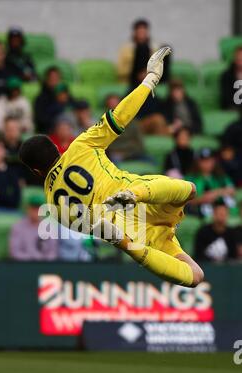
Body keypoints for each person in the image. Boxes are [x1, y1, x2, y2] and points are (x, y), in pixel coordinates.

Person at [19, 47, 204, 288]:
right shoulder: (80, 146)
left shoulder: (53, 207)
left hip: (132, 231)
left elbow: (91, 229)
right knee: (189, 189)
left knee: (195, 276)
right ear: (56, 146)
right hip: (144, 198)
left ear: (36, 171)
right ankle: (133, 195)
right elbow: (121, 115)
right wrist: (149, 80)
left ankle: (128, 246)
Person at [186, 148, 236, 218]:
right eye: (204, 161)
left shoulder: (220, 176)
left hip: (222, 208)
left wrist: (214, 194)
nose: (207, 164)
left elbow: (231, 190)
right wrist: (201, 199)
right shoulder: (190, 178)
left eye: (209, 160)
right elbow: (185, 200)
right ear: (198, 162)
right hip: (199, 211)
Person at [117, 19, 170, 86]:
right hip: (133, 77)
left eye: (143, 32)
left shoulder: (154, 47)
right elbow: (121, 70)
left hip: (152, 75)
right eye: (140, 32)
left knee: (165, 49)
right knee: (142, 48)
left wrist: (148, 72)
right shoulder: (126, 48)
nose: (142, 34)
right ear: (135, 32)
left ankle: (162, 81)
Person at [9, 194, 58, 261]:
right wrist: (32, 260)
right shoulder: (18, 227)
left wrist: (44, 261)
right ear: (27, 208)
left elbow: (53, 251)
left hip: (45, 266)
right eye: (33, 208)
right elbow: (15, 252)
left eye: (38, 208)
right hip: (24, 266)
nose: (36, 211)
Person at [104, 93, 147, 162]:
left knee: (149, 161)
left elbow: (140, 143)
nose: (115, 108)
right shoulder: (104, 124)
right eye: (111, 106)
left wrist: (127, 151)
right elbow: (106, 145)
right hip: (114, 155)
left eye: (117, 105)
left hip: (133, 153)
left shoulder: (133, 122)